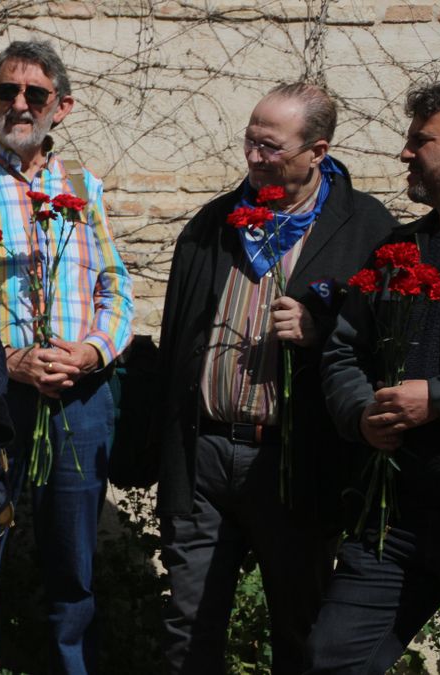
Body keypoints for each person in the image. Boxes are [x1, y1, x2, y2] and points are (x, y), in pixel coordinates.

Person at [153, 82, 395, 673]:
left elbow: (387, 345)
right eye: (250, 142)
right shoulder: (216, 221)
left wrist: (322, 332)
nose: (255, 157)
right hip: (204, 454)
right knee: (188, 623)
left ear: (317, 150)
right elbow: (177, 335)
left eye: (271, 147)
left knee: (300, 626)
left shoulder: (366, 229)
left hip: (293, 461)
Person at [0, 40, 135, 673]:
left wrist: (91, 352)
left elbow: (115, 289)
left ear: (60, 108)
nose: (20, 104)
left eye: (34, 94)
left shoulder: (81, 188)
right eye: (6, 92)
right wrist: (9, 360)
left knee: (75, 575)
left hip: (78, 400)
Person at [306, 80, 440, 674]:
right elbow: (343, 351)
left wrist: (438, 398)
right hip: (400, 517)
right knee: (333, 658)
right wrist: (361, 412)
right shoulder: (400, 251)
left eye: (422, 140)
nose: (405, 153)